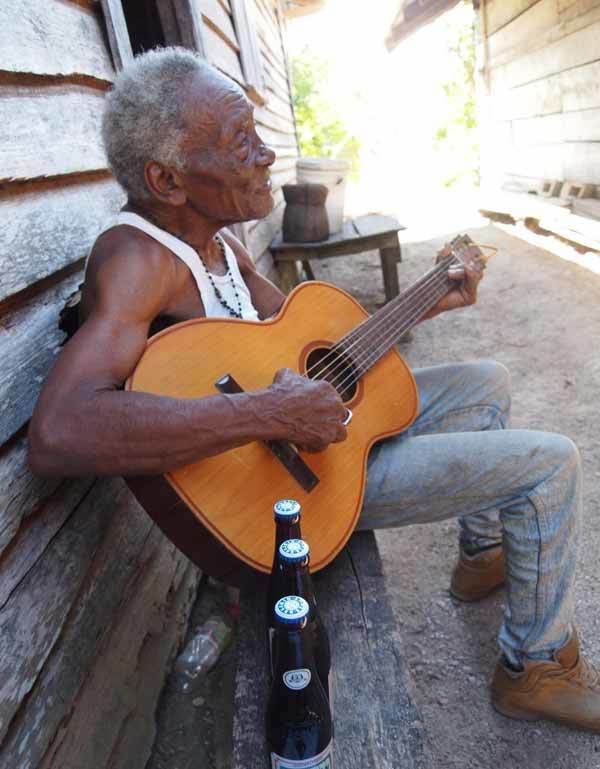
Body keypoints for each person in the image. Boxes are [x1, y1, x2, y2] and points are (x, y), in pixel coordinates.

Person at [28, 47, 599, 732]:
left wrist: (427, 301)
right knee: (550, 463)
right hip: (289, 499)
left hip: (309, 447)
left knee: (488, 383)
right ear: (168, 179)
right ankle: (535, 666)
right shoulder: (138, 260)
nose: (267, 155)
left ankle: (483, 557)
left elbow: (312, 340)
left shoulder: (221, 242)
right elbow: (58, 429)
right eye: (242, 143)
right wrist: (266, 409)